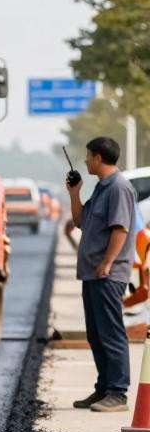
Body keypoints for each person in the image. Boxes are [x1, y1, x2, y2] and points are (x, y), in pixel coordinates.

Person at [66, 136, 140, 412]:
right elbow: (80, 221)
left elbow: (120, 229)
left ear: (98, 157)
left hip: (108, 274)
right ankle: (103, 388)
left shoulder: (118, 188)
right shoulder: (101, 188)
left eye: (88, 156)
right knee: (96, 334)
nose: (85, 160)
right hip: (93, 273)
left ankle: (118, 393)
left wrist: (108, 262)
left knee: (111, 333)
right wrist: (74, 193)